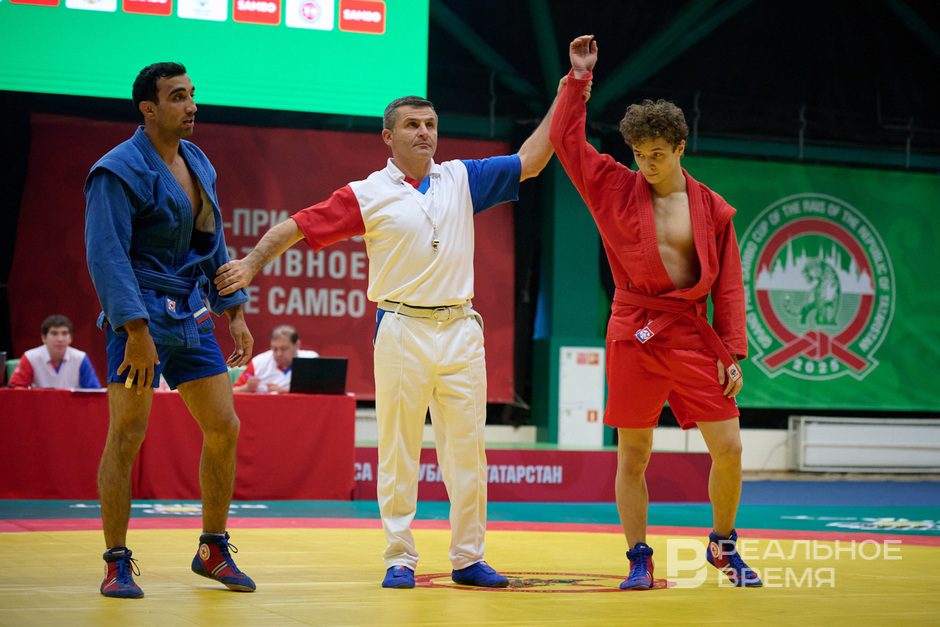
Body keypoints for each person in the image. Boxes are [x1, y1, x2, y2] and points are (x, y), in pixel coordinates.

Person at [214, 84, 581, 589]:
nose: (424, 132)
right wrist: (252, 263)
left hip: (461, 329)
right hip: (402, 328)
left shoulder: (462, 178)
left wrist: (569, 88)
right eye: (412, 125)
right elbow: (297, 226)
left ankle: (468, 558)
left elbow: (534, 159)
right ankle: (399, 558)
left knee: (468, 453)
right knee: (398, 450)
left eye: (430, 125)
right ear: (388, 137)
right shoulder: (366, 194)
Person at [550, 35, 761, 589]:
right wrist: (578, 81)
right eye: (639, 154)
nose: (646, 164)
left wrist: (733, 353)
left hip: (692, 336)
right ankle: (639, 556)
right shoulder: (612, 188)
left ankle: (722, 545)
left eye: (658, 154)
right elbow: (565, 139)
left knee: (730, 448)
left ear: (680, 148)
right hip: (634, 335)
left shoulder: (711, 207)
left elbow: (729, 288)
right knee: (634, 454)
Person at [84, 62, 256, 599]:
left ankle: (212, 549)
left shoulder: (197, 161)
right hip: (140, 315)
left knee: (224, 426)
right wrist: (135, 331)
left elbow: (213, 242)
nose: (191, 105)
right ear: (149, 108)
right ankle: (116, 561)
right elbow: (107, 256)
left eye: (191, 95)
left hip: (190, 311)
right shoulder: (115, 170)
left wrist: (234, 311)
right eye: (178, 97)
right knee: (128, 434)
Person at [8, 314, 102, 389]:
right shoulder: (30, 357)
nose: (60, 339)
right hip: (38, 406)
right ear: (44, 338)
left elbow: (94, 391)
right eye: (54, 333)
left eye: (64, 333)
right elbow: (15, 389)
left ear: (70, 338)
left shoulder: (80, 358)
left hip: (70, 406)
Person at [232, 324, 319, 393]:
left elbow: (321, 390)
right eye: (275, 349)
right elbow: (232, 391)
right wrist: (247, 388)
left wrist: (284, 390)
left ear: (297, 345)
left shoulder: (311, 360)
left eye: (284, 349)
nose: (279, 354)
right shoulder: (258, 362)